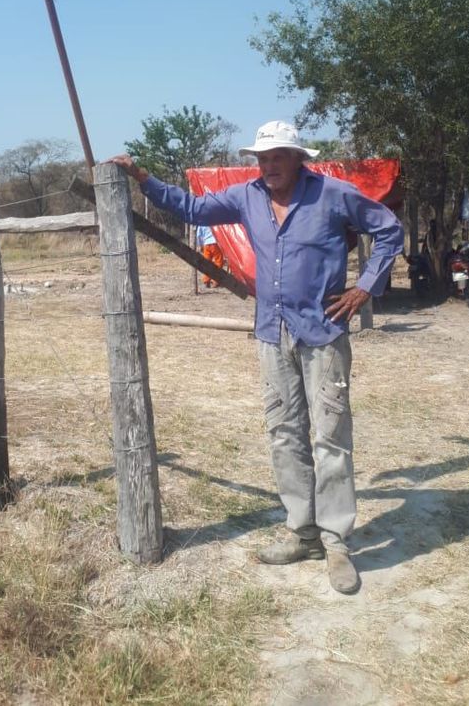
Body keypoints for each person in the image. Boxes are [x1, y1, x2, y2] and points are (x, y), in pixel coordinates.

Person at [110, 120, 404, 595]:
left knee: (331, 436)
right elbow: (190, 206)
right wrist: (143, 179)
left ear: (296, 158)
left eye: (277, 157)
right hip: (272, 333)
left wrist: (365, 289)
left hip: (323, 333)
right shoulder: (245, 197)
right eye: (262, 158)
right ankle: (303, 532)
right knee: (284, 433)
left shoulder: (332, 194)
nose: (268, 166)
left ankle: (335, 542)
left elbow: (389, 230)